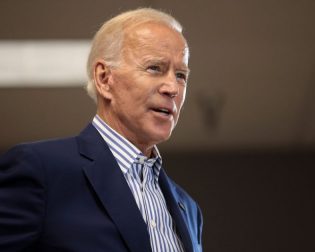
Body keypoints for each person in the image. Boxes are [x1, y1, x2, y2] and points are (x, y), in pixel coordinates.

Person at [0, 8, 203, 252]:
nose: (173, 87)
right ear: (104, 79)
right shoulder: (41, 171)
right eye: (154, 68)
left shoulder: (189, 209)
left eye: (181, 75)